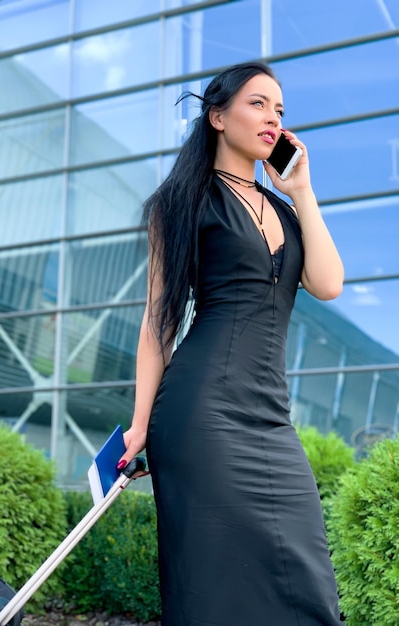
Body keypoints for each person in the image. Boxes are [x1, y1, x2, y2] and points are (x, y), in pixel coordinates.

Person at [117, 61, 345, 626]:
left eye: (281, 110)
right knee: (216, 582)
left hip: (270, 416)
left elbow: (329, 284)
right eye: (258, 104)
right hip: (200, 414)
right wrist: (141, 423)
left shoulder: (288, 211)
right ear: (218, 117)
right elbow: (157, 322)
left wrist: (303, 190)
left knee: (306, 574)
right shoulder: (182, 200)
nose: (273, 118)